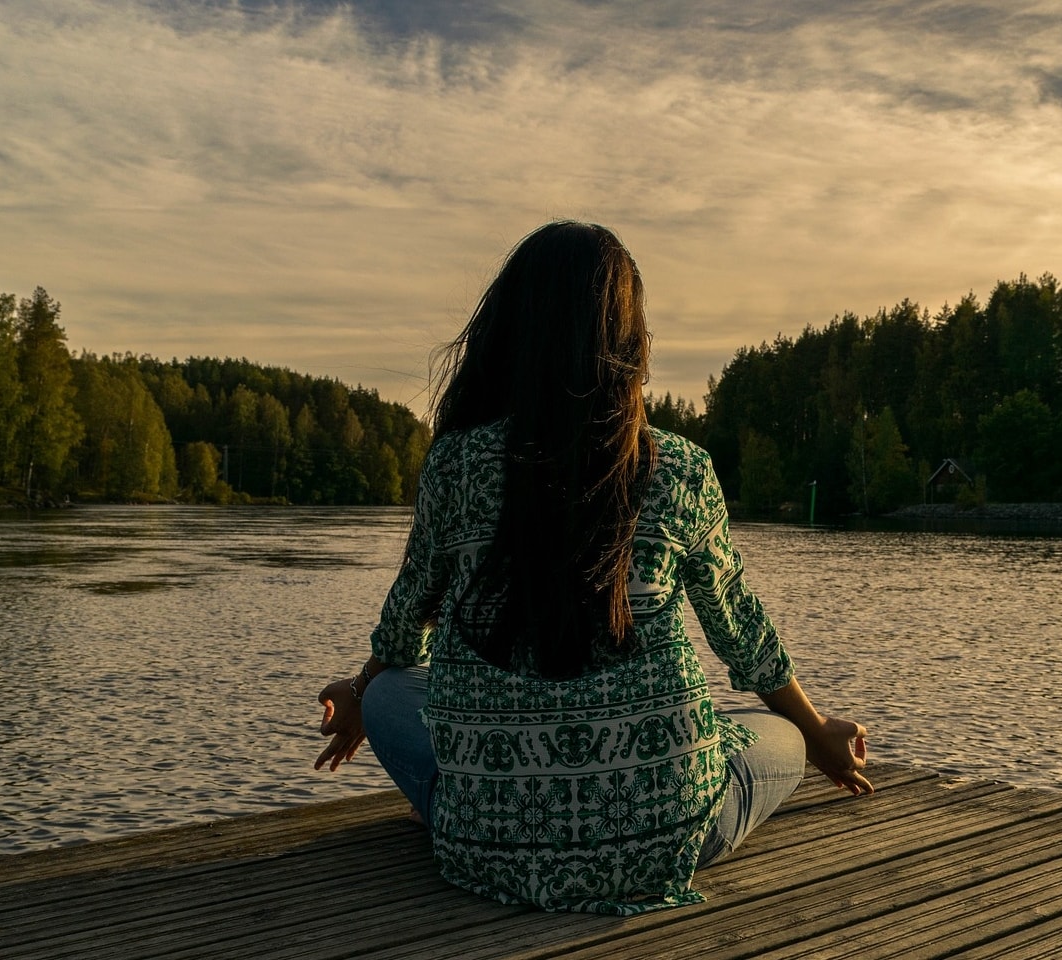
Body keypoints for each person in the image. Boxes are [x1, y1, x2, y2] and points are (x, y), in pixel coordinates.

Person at [313, 220, 871, 915]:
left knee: (395, 690)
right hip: (666, 838)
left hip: (485, 847)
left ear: (510, 333)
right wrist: (819, 735)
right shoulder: (681, 468)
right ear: (630, 343)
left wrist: (364, 690)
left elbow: (404, 626)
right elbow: (743, 636)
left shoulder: (455, 464)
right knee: (780, 733)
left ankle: (478, 806)